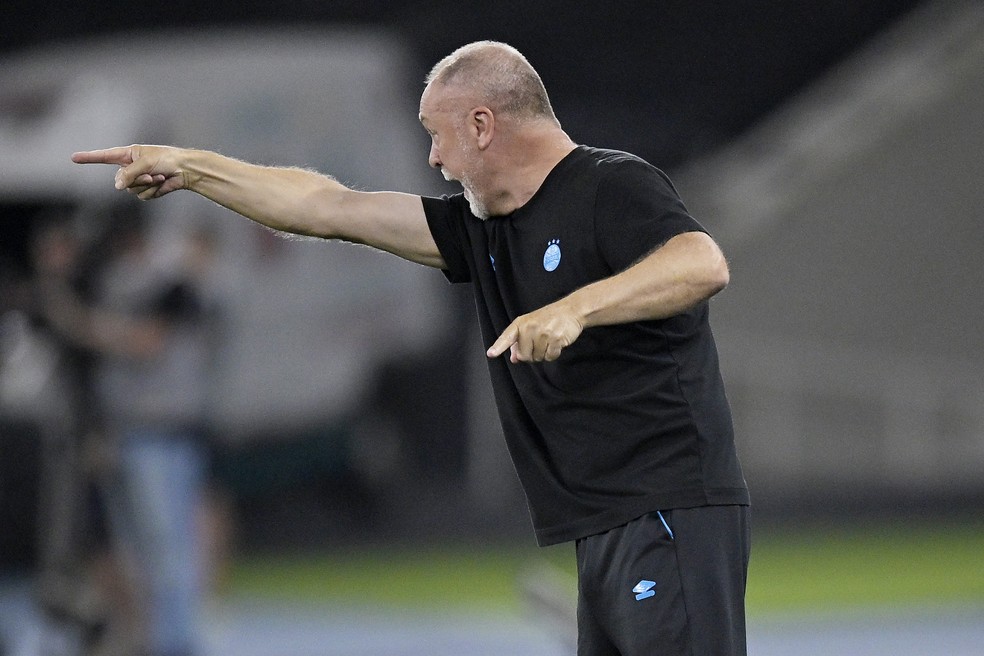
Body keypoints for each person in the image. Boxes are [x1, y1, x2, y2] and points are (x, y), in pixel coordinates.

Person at [73, 40, 751, 656]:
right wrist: (192, 167)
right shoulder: (484, 229)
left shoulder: (611, 183)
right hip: (606, 523)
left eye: (436, 135)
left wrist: (577, 307)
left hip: (667, 510)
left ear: (481, 125)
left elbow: (700, 262)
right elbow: (325, 207)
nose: (433, 159)